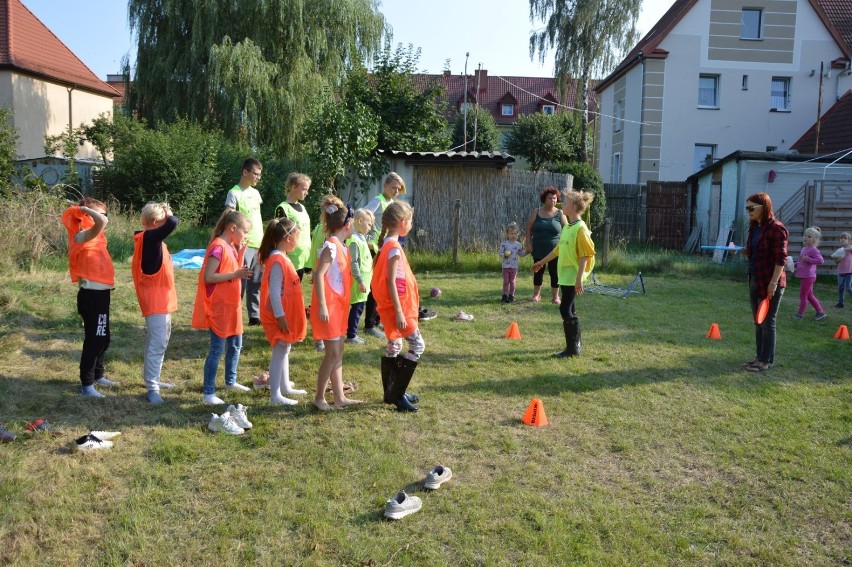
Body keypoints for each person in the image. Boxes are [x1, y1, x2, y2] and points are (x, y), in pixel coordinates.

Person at [192, 208, 253, 404]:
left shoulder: (231, 247)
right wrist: (235, 275)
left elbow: (233, 269)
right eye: (245, 232)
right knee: (217, 349)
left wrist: (241, 255)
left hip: (231, 305)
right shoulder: (218, 246)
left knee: (235, 344)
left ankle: (230, 381)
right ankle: (208, 392)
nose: (246, 236)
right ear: (233, 228)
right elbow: (209, 277)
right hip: (219, 306)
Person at [310, 195, 362, 411]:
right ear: (347, 225)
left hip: (338, 309)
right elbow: (318, 276)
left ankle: (339, 396)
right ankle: (320, 397)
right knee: (331, 354)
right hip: (329, 309)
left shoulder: (341, 246)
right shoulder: (331, 247)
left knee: (338, 353)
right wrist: (322, 305)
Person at [372, 201, 425, 412]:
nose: (411, 224)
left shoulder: (388, 245)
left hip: (392, 308)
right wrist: (400, 311)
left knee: (395, 345)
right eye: (410, 220)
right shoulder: (393, 248)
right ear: (402, 222)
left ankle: (392, 391)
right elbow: (390, 282)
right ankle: (397, 394)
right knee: (418, 345)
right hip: (397, 309)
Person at [61, 198, 117, 398]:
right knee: (95, 339)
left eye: (105, 213)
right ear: (86, 216)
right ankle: (86, 384)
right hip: (91, 297)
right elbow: (102, 223)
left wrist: (91, 212)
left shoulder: (96, 237)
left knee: (104, 338)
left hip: (101, 295)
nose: (102, 218)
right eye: (98, 214)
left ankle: (98, 375)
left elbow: (102, 223)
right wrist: (83, 209)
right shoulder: (82, 235)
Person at [532, 190, 596, 358]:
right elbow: (558, 250)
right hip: (565, 275)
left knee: (565, 308)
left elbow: (585, 255)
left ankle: (572, 349)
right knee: (571, 308)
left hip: (573, 275)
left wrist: (579, 279)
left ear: (574, 207)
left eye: (566, 203)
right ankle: (576, 343)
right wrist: (541, 262)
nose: (562, 205)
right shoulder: (568, 226)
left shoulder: (581, 229)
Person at [131, 202, 179, 404]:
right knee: (156, 345)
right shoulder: (150, 238)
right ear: (157, 222)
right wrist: (169, 214)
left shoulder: (151, 239)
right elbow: (173, 223)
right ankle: (152, 388)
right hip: (155, 302)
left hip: (162, 300)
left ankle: (156, 380)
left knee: (160, 343)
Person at [258, 217, 309, 406]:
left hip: (284, 315)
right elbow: (274, 292)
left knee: (285, 348)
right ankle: (275, 395)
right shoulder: (278, 260)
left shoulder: (281, 257)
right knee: (280, 350)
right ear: (288, 238)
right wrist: (280, 316)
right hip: (278, 316)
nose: (299, 241)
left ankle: (285, 386)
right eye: (298, 237)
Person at [741, 192, 788, 373]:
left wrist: (773, 283)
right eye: (747, 208)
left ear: (764, 207)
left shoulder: (777, 228)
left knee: (768, 321)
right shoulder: (754, 227)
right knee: (758, 320)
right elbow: (755, 251)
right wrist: (740, 251)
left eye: (751, 208)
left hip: (771, 282)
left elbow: (781, 259)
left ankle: (766, 360)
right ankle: (759, 356)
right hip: (755, 278)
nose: (749, 211)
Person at [363, 173, 405, 336]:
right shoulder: (378, 200)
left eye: (399, 188)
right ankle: (369, 325)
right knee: (376, 286)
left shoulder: (391, 202)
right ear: (385, 186)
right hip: (376, 248)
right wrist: (368, 238)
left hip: (386, 247)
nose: (396, 191)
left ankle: (378, 320)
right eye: (393, 187)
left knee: (386, 284)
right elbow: (363, 216)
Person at [224, 158, 264, 325]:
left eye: (260, 175)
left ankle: (254, 316)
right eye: (255, 174)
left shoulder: (255, 193)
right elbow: (229, 218)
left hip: (259, 243)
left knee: (257, 281)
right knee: (241, 281)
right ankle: (234, 313)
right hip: (243, 244)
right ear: (245, 172)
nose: (258, 177)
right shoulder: (234, 193)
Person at [526, 186, 568, 304]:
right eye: (550, 198)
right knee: (538, 271)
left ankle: (555, 297)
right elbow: (529, 228)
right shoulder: (537, 212)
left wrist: (565, 245)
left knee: (555, 273)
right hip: (538, 249)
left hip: (555, 251)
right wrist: (528, 243)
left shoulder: (560, 213)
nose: (553, 200)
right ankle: (536, 295)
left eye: (555, 198)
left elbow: (567, 229)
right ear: (544, 199)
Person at [274, 172, 312, 281]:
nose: (307, 193)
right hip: (291, 258)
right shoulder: (283, 208)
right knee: (287, 293)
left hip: (303, 257)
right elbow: (279, 237)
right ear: (294, 187)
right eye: (304, 189)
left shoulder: (302, 207)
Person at [346, 208, 376, 345]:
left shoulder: (361, 237)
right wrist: (360, 281)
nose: (370, 228)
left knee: (359, 306)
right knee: (357, 308)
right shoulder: (353, 240)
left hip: (364, 280)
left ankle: (353, 333)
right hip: (358, 281)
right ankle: (351, 335)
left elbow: (374, 235)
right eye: (369, 224)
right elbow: (354, 263)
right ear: (360, 221)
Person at [792, 226, 827, 321]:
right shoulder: (804, 249)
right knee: (809, 295)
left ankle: (799, 314)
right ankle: (820, 312)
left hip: (809, 276)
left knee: (803, 295)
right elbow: (801, 262)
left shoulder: (813, 250)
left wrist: (807, 259)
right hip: (804, 276)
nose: (806, 238)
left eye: (809, 236)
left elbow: (820, 261)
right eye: (805, 235)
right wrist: (793, 264)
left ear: (815, 239)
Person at [499, 222, 527, 303]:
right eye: (511, 233)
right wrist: (504, 255)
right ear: (507, 234)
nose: (513, 235)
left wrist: (527, 252)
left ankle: (511, 296)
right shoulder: (504, 244)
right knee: (506, 281)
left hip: (514, 267)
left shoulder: (518, 245)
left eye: (515, 233)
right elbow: (500, 253)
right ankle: (504, 295)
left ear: (518, 234)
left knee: (512, 281)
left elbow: (521, 253)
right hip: (505, 267)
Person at [830, 231, 852, 308]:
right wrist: (835, 259)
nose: (842, 239)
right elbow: (837, 261)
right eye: (841, 238)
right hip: (841, 272)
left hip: (849, 272)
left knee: (848, 288)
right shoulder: (839, 250)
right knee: (840, 287)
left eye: (845, 238)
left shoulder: (849, 249)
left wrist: (844, 250)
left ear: (849, 241)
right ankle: (840, 303)